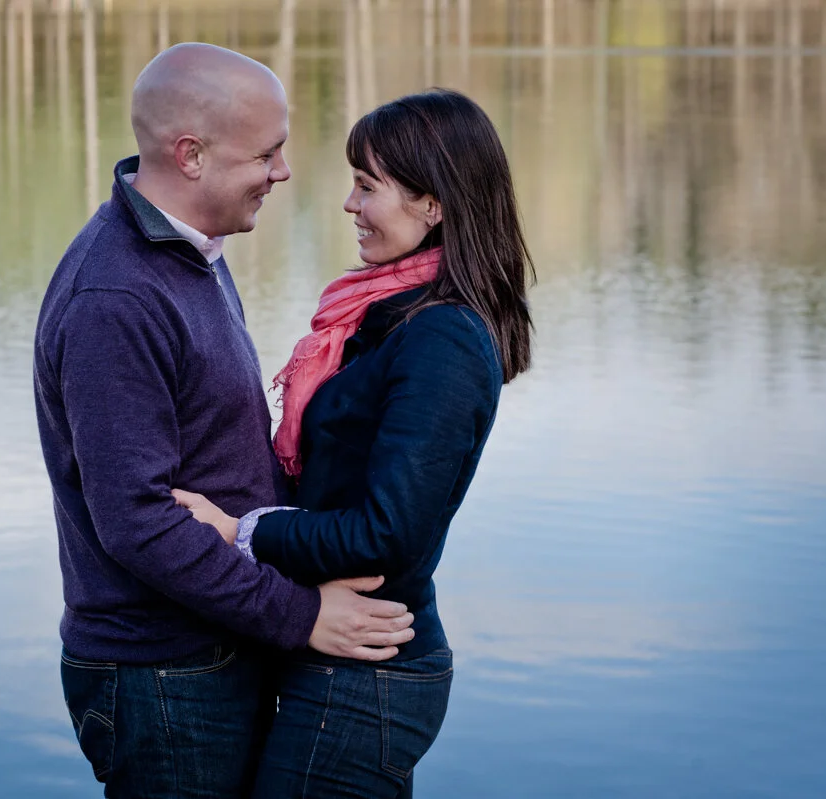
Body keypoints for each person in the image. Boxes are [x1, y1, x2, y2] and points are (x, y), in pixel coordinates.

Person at [33, 43, 416, 799]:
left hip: (211, 650)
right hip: (162, 673)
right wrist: (300, 613)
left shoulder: (191, 254)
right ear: (192, 156)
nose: (283, 172)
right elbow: (138, 521)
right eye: (266, 154)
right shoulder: (116, 297)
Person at [174, 89, 535, 798]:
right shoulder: (385, 317)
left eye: (368, 187)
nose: (349, 204)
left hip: (369, 676)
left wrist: (242, 531)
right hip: (335, 658)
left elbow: (385, 534)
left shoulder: (444, 340)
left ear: (433, 205)